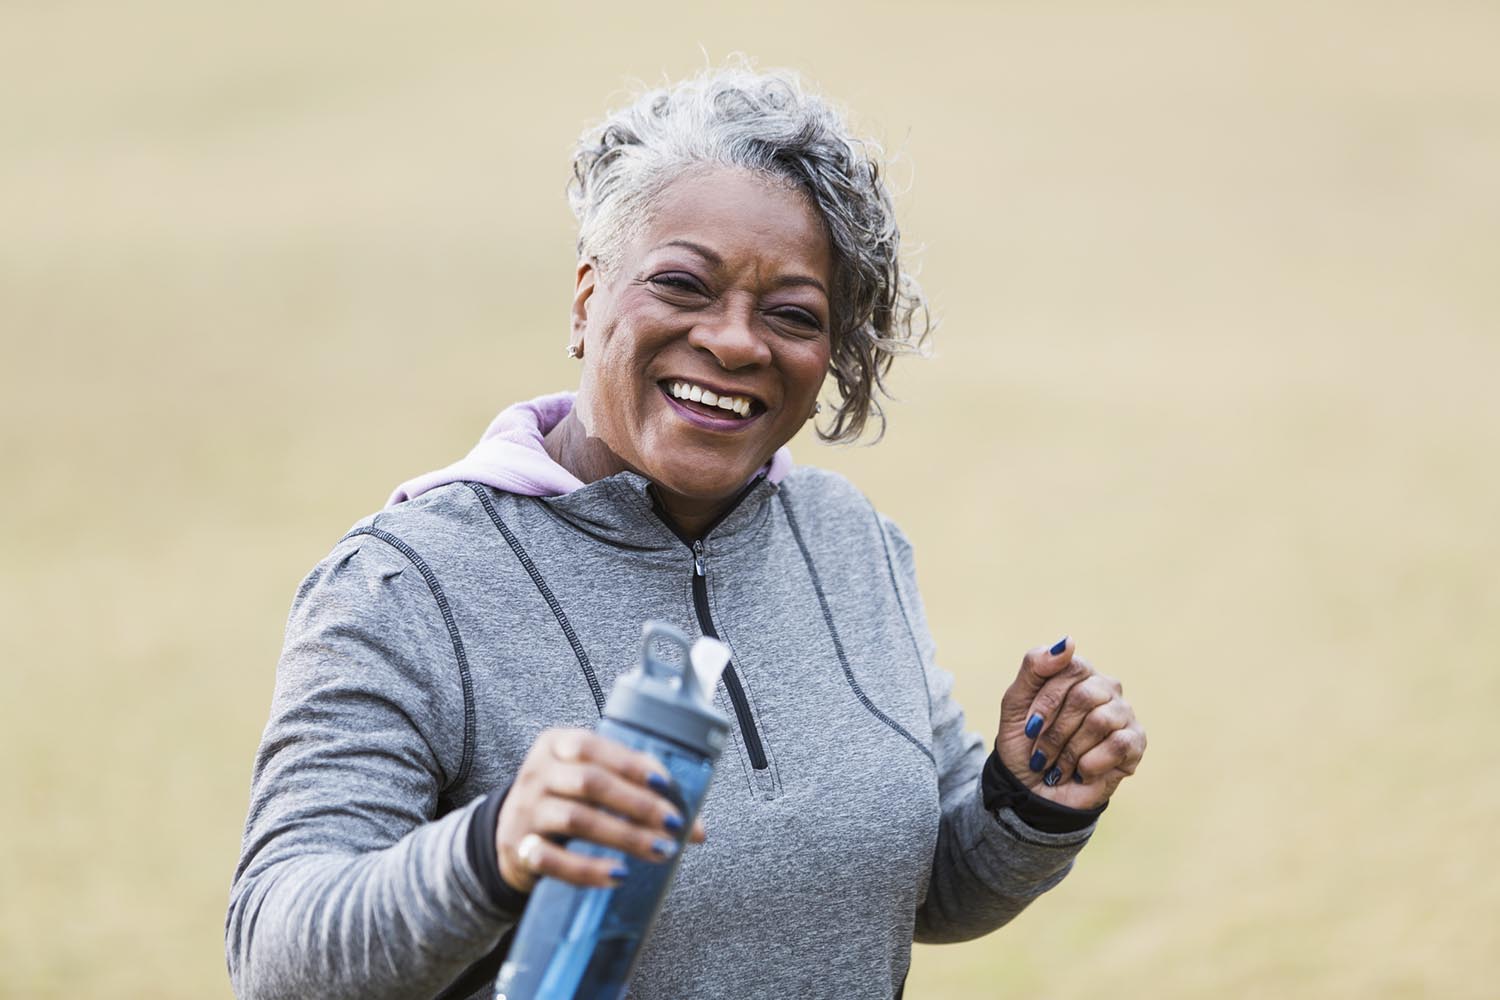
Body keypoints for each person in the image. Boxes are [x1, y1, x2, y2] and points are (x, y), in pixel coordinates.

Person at [226, 65, 1147, 1000]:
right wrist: (490, 848)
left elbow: (917, 891)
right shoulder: (406, 585)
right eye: (683, 284)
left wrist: (1025, 803)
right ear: (588, 300)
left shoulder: (848, 541)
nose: (738, 342)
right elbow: (276, 955)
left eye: (792, 313)